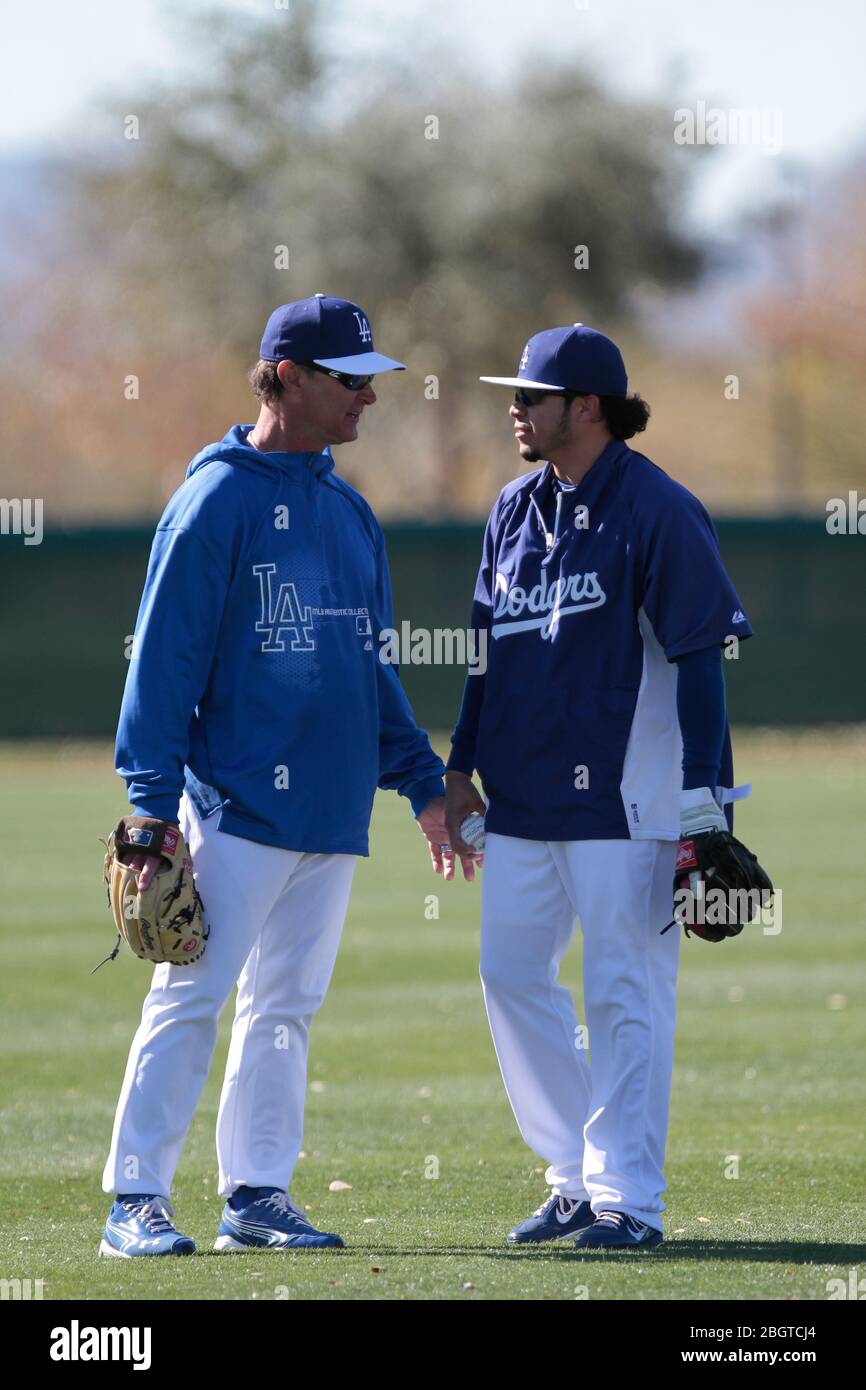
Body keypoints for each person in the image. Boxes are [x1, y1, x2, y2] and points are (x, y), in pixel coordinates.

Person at [100, 294, 453, 1257]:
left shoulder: (349, 514)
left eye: (371, 381)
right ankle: (134, 1197)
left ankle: (256, 1194)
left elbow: (370, 667)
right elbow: (164, 660)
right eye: (350, 381)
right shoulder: (214, 501)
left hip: (334, 807)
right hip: (238, 801)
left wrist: (422, 782)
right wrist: (147, 804)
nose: (366, 399)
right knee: (192, 994)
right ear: (287, 378)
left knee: (286, 1007)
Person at [444, 323, 754, 1249]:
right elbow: (485, 655)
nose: (515, 410)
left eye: (531, 397)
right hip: (525, 801)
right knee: (509, 976)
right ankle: (575, 1177)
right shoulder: (512, 508)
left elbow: (701, 657)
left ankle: (630, 1200)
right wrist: (459, 767)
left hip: (632, 801)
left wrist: (703, 799)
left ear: (587, 408)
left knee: (625, 993)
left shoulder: (658, 508)